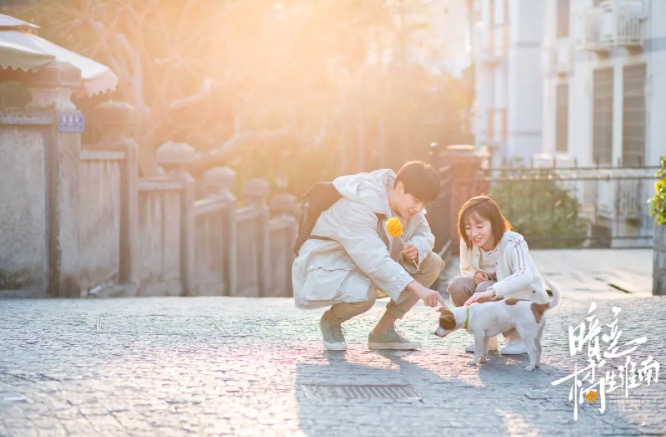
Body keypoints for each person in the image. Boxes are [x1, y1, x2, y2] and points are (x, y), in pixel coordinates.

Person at [292, 161, 446, 351]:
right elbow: (374, 259)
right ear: (399, 187)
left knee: (432, 263)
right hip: (332, 263)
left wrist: (417, 247)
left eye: (423, 204)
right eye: (416, 201)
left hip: (364, 263)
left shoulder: (406, 204)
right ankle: (331, 320)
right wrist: (417, 288)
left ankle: (383, 332)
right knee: (364, 295)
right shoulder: (360, 204)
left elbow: (424, 232)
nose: (418, 208)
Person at [447, 195, 550, 355]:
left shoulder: (513, 241)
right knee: (457, 286)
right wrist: (475, 274)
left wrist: (492, 290)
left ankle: (518, 337)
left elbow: (524, 275)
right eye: (468, 227)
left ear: (494, 223)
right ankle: (486, 338)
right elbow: (465, 269)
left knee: (485, 288)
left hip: (524, 302)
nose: (473, 233)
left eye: (479, 226)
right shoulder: (467, 242)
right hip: (493, 295)